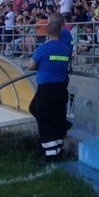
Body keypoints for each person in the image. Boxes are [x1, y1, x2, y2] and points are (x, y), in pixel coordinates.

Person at [27, 19, 70, 163]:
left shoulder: (43, 48)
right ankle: (58, 150)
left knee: (45, 121)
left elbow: (31, 66)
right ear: (60, 32)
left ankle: (50, 156)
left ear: (47, 32)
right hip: (61, 88)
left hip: (47, 89)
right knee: (57, 119)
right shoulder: (65, 48)